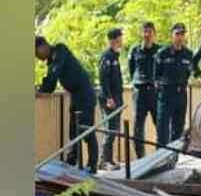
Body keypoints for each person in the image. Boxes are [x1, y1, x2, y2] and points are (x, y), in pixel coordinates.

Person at [35, 36, 98, 173]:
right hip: (75, 95)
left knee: (86, 130)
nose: (37, 57)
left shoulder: (60, 50)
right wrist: (40, 90)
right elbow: (50, 85)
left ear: (43, 46)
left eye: (36, 52)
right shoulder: (52, 60)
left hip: (85, 94)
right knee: (73, 132)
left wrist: (40, 91)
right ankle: (72, 161)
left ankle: (92, 166)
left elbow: (52, 77)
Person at [154, 23, 194, 146]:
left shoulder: (188, 54)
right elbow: (156, 75)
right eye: (177, 34)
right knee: (163, 130)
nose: (180, 37)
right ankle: (160, 161)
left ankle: (173, 159)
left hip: (181, 94)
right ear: (172, 35)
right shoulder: (162, 52)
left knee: (178, 129)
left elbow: (189, 72)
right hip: (166, 94)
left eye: (182, 34)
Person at [127, 22, 160, 158]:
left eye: (150, 32)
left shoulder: (160, 50)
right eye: (145, 32)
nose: (147, 35)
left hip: (155, 92)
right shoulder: (134, 50)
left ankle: (161, 156)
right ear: (141, 34)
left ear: (154, 34)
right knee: (138, 126)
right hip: (139, 92)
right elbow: (131, 69)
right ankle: (141, 158)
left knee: (160, 124)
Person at [98, 28, 125, 171]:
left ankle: (109, 158)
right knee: (110, 129)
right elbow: (103, 79)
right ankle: (103, 161)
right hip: (109, 98)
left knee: (114, 130)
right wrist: (109, 97)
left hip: (117, 97)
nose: (121, 41)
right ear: (113, 40)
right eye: (119, 39)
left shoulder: (115, 56)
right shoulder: (107, 57)